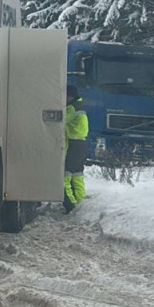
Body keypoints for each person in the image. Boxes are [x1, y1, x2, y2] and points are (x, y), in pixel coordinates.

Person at [63, 84, 89, 213]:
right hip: (82, 143)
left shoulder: (71, 108)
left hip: (74, 144)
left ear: (70, 96)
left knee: (65, 175)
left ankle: (70, 205)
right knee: (77, 174)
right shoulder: (80, 106)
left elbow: (61, 120)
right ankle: (79, 200)